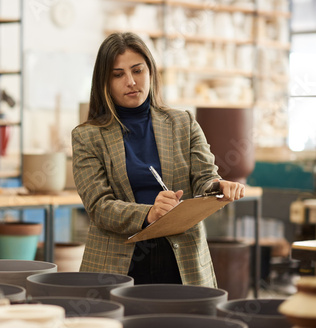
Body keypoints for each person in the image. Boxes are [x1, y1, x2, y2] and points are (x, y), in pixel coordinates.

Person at [71, 32, 245, 287]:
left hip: (182, 261)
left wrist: (219, 187)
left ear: (151, 72)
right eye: (118, 75)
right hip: (117, 265)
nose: (130, 81)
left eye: (137, 70)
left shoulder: (182, 122)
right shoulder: (88, 136)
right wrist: (149, 214)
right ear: (104, 83)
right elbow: (99, 207)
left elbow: (205, 177)